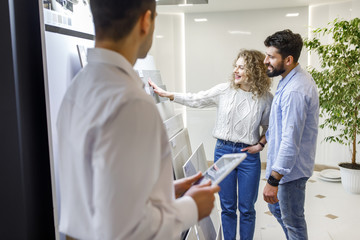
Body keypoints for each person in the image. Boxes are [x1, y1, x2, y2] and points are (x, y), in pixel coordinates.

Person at [56, 0, 220, 239]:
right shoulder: (131, 102)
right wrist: (192, 208)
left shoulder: (78, 88)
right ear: (145, 21)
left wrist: (164, 191)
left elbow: (103, 192)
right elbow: (129, 228)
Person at [149, 49, 273, 240]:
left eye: (241, 67)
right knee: (227, 206)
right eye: (235, 66)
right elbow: (196, 99)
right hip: (223, 152)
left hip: (249, 156)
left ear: (254, 70)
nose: (235, 70)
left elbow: (269, 127)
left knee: (247, 208)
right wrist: (169, 95)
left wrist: (260, 145)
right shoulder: (224, 90)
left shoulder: (265, 98)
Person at [262, 29, 319, 240]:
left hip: (290, 173)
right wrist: (262, 141)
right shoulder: (288, 78)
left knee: (294, 223)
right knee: (281, 213)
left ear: (288, 59)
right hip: (287, 169)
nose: (266, 60)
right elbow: (280, 124)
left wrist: (274, 180)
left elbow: (290, 140)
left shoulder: (295, 89)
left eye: (271, 56)